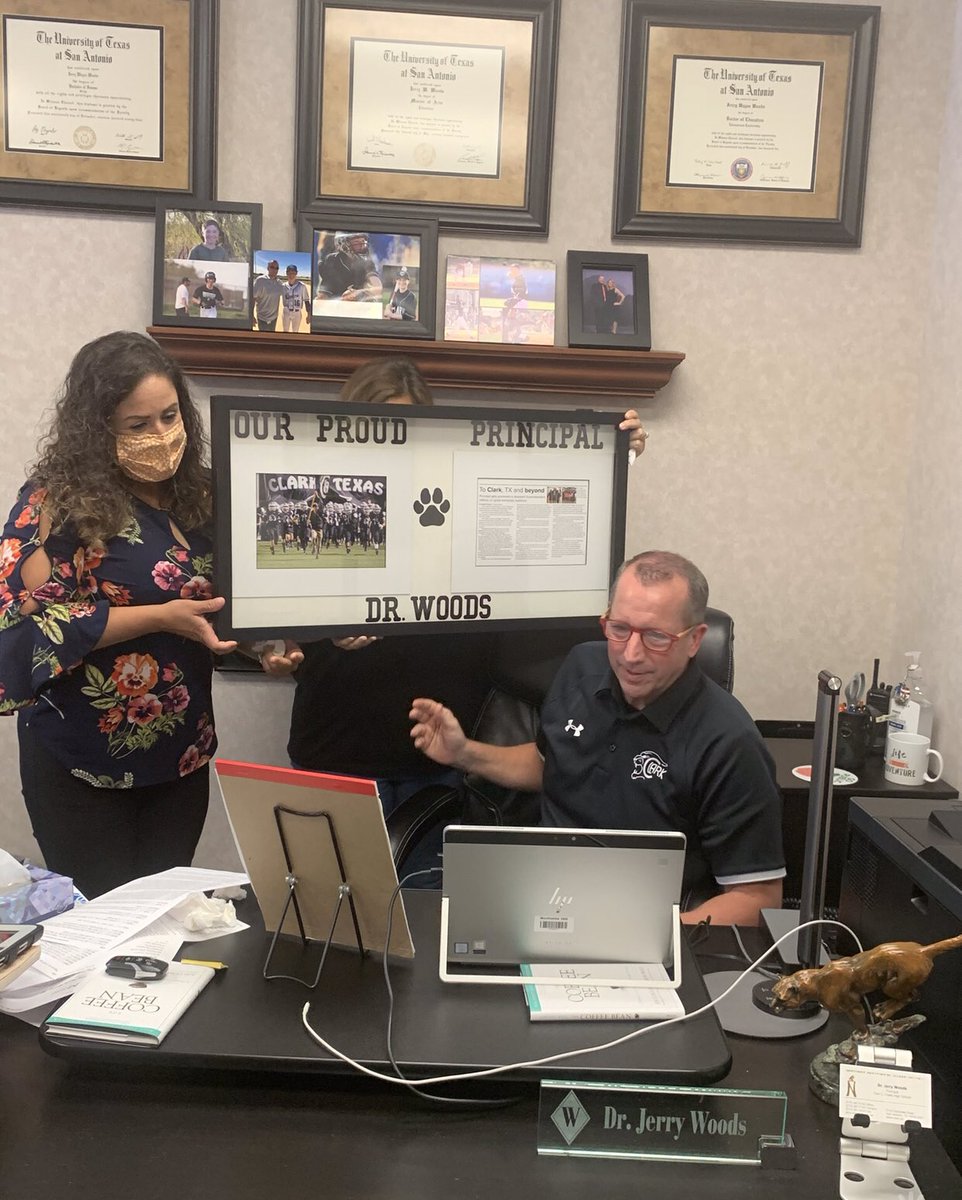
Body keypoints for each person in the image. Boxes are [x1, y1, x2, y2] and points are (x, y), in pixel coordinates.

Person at [259, 359, 651, 820]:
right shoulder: (317, 509)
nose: (391, 444)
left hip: (439, 757)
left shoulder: (466, 504)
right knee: (332, 893)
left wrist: (610, 454)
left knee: (430, 892)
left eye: (405, 430)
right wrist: (300, 638)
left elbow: (545, 521)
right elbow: (267, 624)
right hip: (333, 750)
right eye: (374, 431)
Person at [409, 551, 785, 925]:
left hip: (642, 918)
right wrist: (464, 753)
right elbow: (551, 764)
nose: (631, 655)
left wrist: (651, 935)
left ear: (694, 640)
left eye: (656, 637)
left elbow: (757, 898)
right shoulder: (582, 667)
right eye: (619, 629)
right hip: (539, 895)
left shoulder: (730, 741)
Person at [0, 331, 237, 899]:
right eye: (138, 425)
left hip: (180, 756)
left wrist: (269, 647)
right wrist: (159, 618)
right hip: (81, 761)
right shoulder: (53, 504)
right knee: (102, 938)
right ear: (96, 427)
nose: (160, 437)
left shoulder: (201, 496)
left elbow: (219, 603)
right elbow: (27, 626)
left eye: (169, 416)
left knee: (161, 928)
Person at [316, 233, 382, 302]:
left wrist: (361, 293)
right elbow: (324, 294)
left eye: (363, 242)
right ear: (343, 244)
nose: (362, 246)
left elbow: (378, 288)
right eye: (356, 242)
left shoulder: (367, 262)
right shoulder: (333, 260)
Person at [251, 260, 283, 332]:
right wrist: (251, 315)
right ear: (268, 268)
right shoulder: (260, 280)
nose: (274, 269)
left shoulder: (279, 283)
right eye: (272, 267)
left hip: (274, 318)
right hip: (262, 318)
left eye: (277, 268)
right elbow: (253, 298)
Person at [280, 265, 310, 332]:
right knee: (285, 331)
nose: (291, 275)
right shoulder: (283, 286)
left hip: (297, 313)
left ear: (296, 273)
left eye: (293, 273)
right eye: (289, 273)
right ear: (286, 273)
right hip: (286, 312)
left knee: (295, 331)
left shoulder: (302, 286)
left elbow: (306, 300)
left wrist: (309, 314)